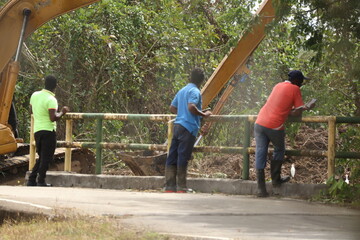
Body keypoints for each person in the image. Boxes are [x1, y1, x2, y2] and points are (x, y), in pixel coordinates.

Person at [254, 70, 315, 197]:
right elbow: (297, 112)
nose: (302, 83)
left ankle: (261, 189)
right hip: (274, 125)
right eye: (302, 81)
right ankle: (276, 180)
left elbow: (280, 107)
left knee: (260, 151)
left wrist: (292, 109)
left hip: (259, 122)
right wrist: (307, 107)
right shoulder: (295, 89)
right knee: (279, 149)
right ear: (297, 81)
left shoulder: (278, 85)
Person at [165, 68, 212, 193]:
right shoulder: (195, 91)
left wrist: (181, 114)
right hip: (188, 127)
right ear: (202, 80)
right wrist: (203, 114)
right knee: (183, 156)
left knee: (172, 155)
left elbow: (172, 107)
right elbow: (191, 107)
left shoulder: (182, 90)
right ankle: (182, 187)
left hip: (178, 126)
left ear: (190, 77)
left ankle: (169, 187)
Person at [27, 75, 69, 187]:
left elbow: (31, 111)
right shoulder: (51, 100)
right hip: (48, 131)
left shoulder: (34, 95)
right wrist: (63, 112)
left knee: (42, 157)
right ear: (55, 86)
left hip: (37, 130)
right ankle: (41, 181)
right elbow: (53, 117)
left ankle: (31, 180)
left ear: (44, 84)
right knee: (47, 158)